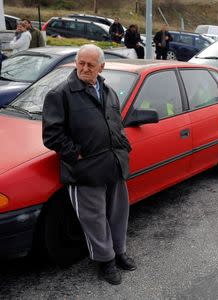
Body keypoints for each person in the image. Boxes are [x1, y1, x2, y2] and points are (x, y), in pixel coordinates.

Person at [42, 44, 136, 285]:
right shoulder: (60, 94)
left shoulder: (108, 91)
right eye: (81, 63)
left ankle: (119, 252)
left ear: (101, 67)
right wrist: (76, 155)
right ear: (76, 63)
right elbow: (52, 135)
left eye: (90, 65)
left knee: (118, 214)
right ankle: (106, 262)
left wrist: (124, 146)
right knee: (94, 220)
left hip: (113, 164)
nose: (84, 68)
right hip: (85, 171)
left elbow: (116, 123)